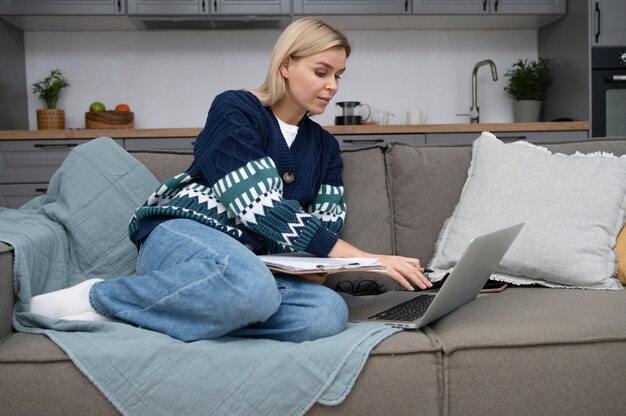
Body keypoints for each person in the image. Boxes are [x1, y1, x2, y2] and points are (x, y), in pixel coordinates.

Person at [30, 18, 432, 343]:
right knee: (251, 288)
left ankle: (172, 309)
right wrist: (374, 259)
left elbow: (325, 224)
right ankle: (101, 296)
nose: (332, 86)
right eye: (322, 71)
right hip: (185, 236)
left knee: (325, 314)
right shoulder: (235, 109)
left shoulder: (325, 146)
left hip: (256, 269)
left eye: (339, 75)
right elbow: (258, 207)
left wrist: (317, 267)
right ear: (286, 65)